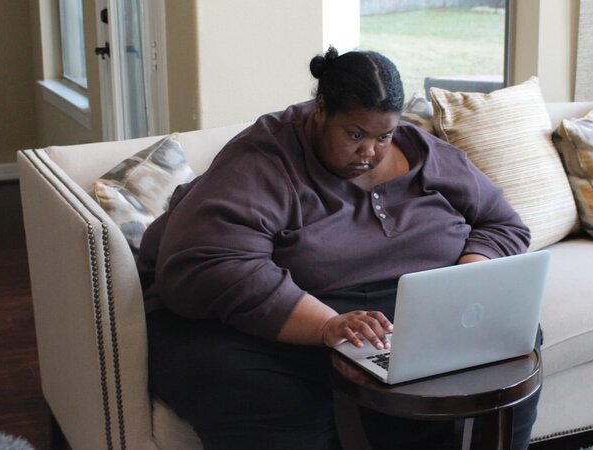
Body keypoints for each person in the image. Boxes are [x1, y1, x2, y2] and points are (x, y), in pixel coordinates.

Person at [138, 46, 538, 450]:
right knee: (270, 396)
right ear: (321, 109)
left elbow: (502, 222)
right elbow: (209, 263)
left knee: (508, 339)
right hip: (274, 318)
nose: (369, 152)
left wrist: (463, 280)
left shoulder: (422, 153)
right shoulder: (267, 158)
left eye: (384, 136)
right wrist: (328, 324)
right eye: (354, 134)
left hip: (393, 312)